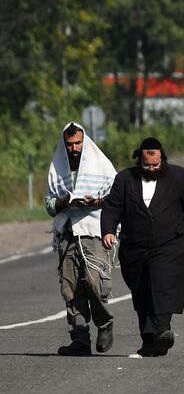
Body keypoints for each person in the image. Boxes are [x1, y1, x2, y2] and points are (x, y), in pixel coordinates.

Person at [101, 138, 184, 358]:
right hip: (135, 246)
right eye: (147, 165)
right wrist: (108, 230)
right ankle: (149, 340)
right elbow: (112, 206)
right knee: (141, 292)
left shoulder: (177, 176)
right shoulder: (124, 179)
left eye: (155, 165)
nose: (151, 169)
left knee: (162, 285)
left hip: (169, 244)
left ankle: (162, 331)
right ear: (139, 160)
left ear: (162, 159)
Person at [46, 122, 118, 356]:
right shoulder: (58, 169)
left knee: (94, 282)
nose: (74, 148)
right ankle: (79, 339)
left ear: (84, 142)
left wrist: (95, 202)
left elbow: (117, 197)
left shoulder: (102, 165)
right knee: (70, 287)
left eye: (78, 143)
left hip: (94, 230)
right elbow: (49, 204)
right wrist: (64, 202)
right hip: (67, 233)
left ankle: (105, 325)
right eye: (70, 144)